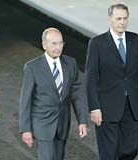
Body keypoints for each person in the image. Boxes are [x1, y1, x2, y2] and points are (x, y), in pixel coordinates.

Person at [85, 3, 138, 160]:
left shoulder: (137, 41)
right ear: (110, 20)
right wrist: (94, 108)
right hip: (106, 107)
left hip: (131, 105)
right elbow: (91, 78)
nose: (122, 22)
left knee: (131, 147)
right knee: (109, 152)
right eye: (118, 18)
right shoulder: (97, 44)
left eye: (125, 18)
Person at [19, 27, 88, 160]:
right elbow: (25, 101)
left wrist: (82, 121)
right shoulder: (32, 67)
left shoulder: (71, 63)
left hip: (63, 125)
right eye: (54, 43)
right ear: (44, 45)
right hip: (42, 124)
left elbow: (77, 95)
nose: (58, 47)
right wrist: (25, 129)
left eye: (61, 43)